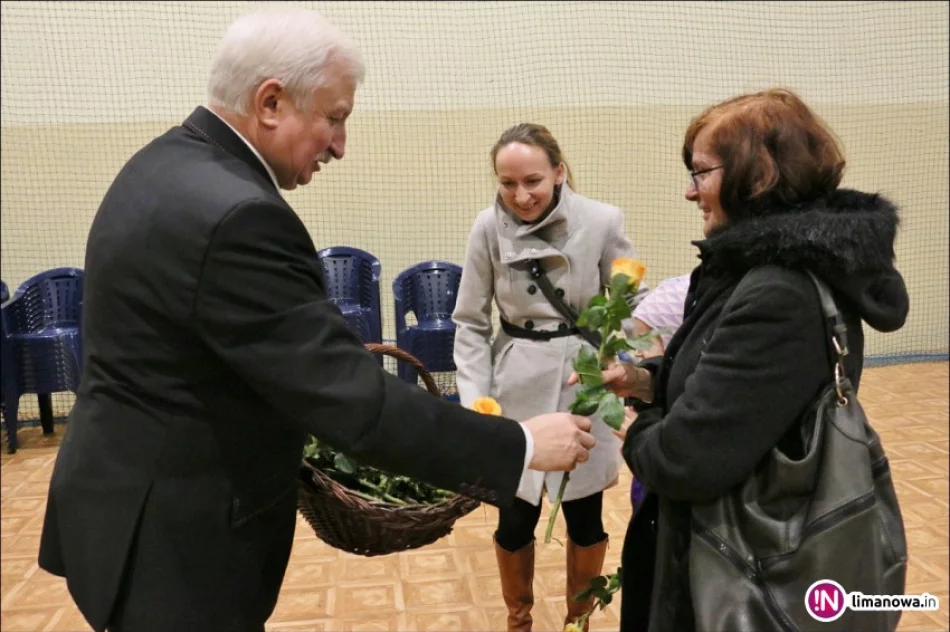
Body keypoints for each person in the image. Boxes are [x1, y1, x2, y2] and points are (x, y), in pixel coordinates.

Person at [36, 9, 598, 632]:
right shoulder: (239, 216)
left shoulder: (162, 163)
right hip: (174, 546)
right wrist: (520, 445)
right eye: (334, 117)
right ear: (271, 102)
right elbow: (351, 400)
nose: (339, 144)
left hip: (118, 501)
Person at [575, 88, 909, 631]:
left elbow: (685, 461)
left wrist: (639, 431)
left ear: (759, 177)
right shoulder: (756, 269)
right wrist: (643, 380)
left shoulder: (780, 292)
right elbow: (734, 387)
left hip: (736, 571)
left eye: (701, 172)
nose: (690, 191)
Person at [452, 123, 648, 632]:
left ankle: (577, 623)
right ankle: (518, 621)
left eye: (533, 181)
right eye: (507, 183)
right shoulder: (487, 227)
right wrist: (476, 402)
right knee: (515, 515)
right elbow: (470, 323)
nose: (521, 196)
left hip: (582, 381)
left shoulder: (601, 220)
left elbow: (628, 307)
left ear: (559, 171)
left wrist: (628, 367)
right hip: (514, 382)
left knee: (584, 514)